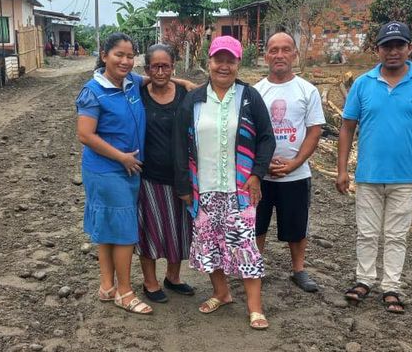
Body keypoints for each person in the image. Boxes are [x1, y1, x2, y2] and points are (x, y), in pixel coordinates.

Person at [336, 21, 412, 314]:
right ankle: (364, 280)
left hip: (407, 175)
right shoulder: (363, 83)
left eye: (399, 45)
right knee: (367, 232)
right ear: (378, 50)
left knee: (397, 235)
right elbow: (347, 127)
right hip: (369, 173)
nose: (393, 51)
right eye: (387, 46)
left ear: (410, 48)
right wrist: (342, 169)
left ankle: (391, 286)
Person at [173, 35, 276, 329]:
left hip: (240, 190)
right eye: (219, 60)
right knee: (210, 243)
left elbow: (266, 138)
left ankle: (255, 308)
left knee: (245, 245)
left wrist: (256, 174)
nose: (224, 66)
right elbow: (179, 144)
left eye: (230, 61)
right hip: (203, 188)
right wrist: (184, 186)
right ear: (209, 62)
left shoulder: (249, 97)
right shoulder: (193, 100)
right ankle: (221, 293)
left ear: (238, 64)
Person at [76, 32, 152, 315]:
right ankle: (125, 292)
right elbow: (85, 134)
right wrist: (121, 157)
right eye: (119, 55)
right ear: (104, 55)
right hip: (107, 170)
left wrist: (183, 83)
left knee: (108, 227)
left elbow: (152, 80)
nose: (125, 61)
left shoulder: (130, 82)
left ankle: (107, 286)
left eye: (130, 56)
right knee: (123, 231)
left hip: (127, 168)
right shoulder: (93, 91)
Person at [254, 31, 327, 292]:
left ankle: (299, 270)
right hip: (260, 175)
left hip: (296, 174)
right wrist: (261, 164)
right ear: (266, 56)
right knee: (256, 223)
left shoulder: (307, 91)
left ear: (295, 54)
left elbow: (314, 131)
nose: (280, 55)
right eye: (274, 50)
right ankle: (254, 268)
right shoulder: (256, 92)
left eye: (286, 49)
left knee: (296, 226)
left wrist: (295, 163)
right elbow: (249, 132)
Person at [137, 43, 195, 303]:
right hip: (149, 176)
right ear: (147, 69)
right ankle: (149, 282)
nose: (160, 72)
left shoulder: (185, 94)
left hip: (181, 176)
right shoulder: (138, 94)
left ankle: (173, 277)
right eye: (155, 67)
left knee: (179, 229)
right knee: (149, 231)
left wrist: (183, 82)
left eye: (166, 66)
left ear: (173, 67)